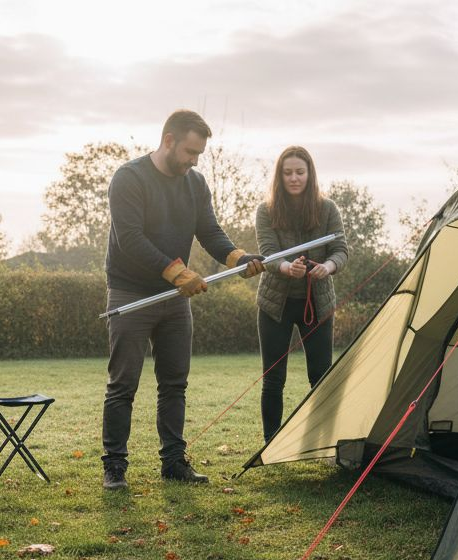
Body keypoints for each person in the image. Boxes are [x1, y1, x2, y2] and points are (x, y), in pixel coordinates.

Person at [101, 109, 264, 491]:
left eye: (199, 155)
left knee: (174, 383)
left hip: (175, 297)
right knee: (122, 384)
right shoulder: (129, 178)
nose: (194, 160)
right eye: (190, 151)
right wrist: (177, 271)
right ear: (169, 140)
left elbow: (209, 231)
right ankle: (115, 467)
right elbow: (130, 238)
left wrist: (238, 258)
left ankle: (173, 462)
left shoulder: (195, 184)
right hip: (131, 292)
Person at [254, 146, 348, 443]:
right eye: (287, 173)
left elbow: (341, 249)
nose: (294, 178)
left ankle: (322, 441)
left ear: (309, 174)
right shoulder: (265, 210)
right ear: (279, 177)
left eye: (300, 172)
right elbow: (268, 254)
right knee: (273, 379)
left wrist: (329, 266)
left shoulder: (328, 209)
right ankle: (271, 441)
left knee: (321, 376)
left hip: (317, 303)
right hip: (275, 305)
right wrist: (284, 267)